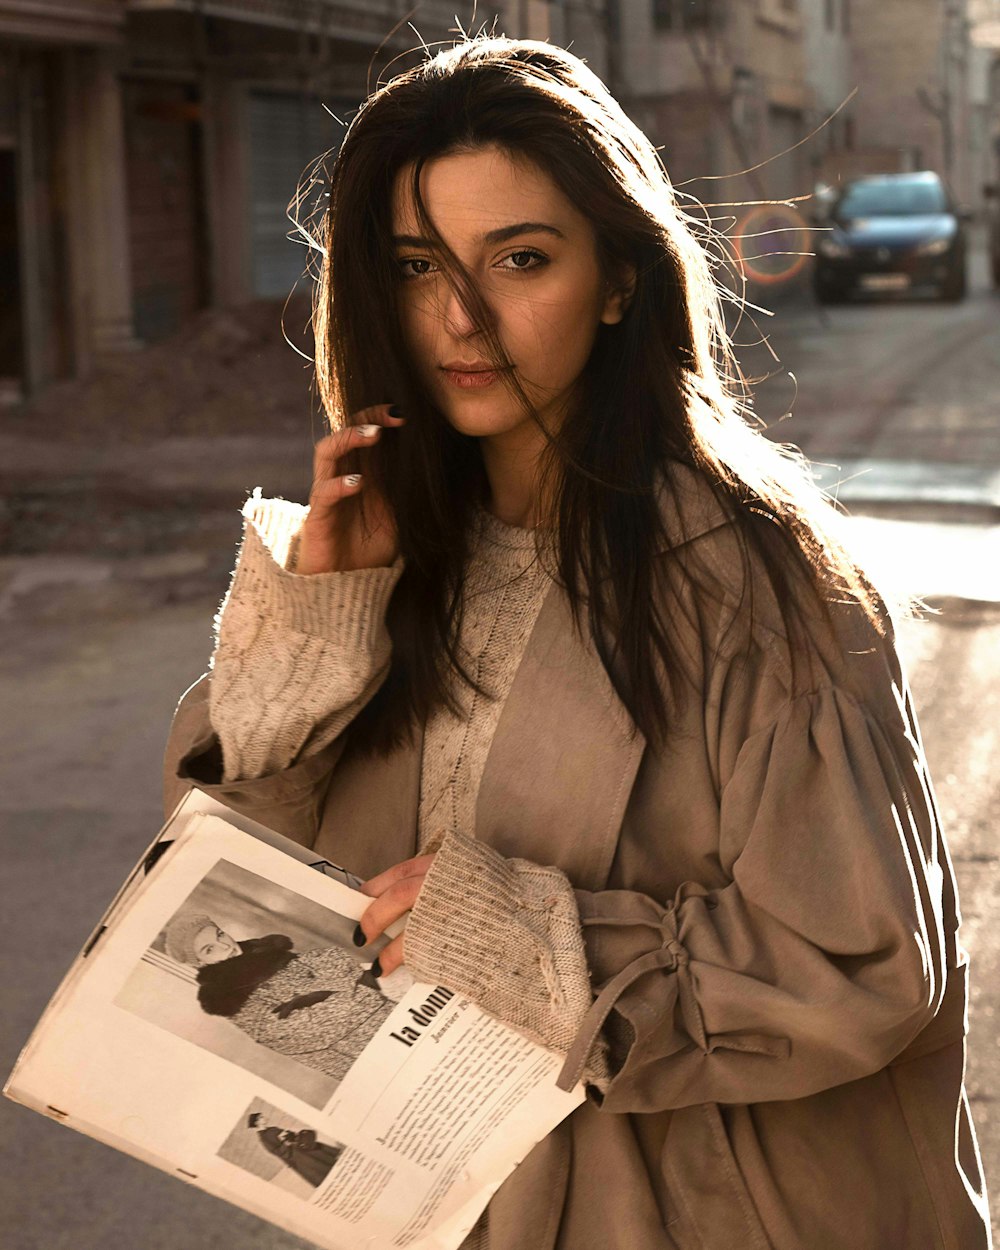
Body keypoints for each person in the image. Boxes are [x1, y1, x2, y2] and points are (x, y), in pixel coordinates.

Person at [163, 35, 991, 1250]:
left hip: (704, 1210)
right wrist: (321, 625)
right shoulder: (382, 555)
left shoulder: (752, 575)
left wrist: (519, 942)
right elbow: (229, 896)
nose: (460, 317)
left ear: (619, 278)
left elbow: (860, 963)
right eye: (413, 266)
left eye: (521, 260)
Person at [161, 910, 393, 1080]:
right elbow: (314, 1030)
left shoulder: (269, 952)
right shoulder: (228, 999)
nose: (225, 946)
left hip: (394, 1016)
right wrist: (357, 986)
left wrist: (330, 992)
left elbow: (335, 958)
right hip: (371, 1059)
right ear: (199, 963)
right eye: (209, 949)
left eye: (220, 935)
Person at [246, 1112, 343, 1188]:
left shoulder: (271, 1128)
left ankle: (337, 1165)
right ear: (257, 1122)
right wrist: (285, 1143)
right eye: (262, 1117)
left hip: (298, 1146)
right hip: (295, 1156)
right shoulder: (263, 1138)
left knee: (318, 1151)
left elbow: (287, 1134)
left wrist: (290, 1134)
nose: (265, 1118)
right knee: (316, 1167)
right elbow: (276, 1152)